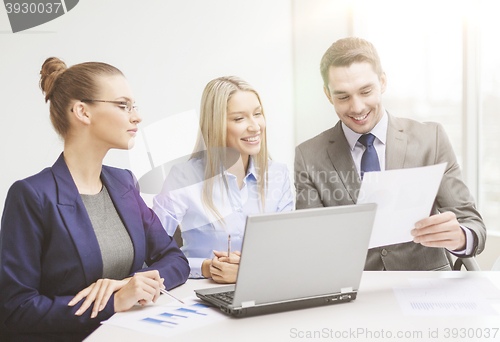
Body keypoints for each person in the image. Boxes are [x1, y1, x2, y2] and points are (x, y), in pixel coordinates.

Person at [0, 57, 190, 341]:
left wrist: (129, 284)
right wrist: (113, 302)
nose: (136, 116)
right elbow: (16, 309)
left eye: (133, 106)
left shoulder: (124, 182)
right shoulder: (32, 196)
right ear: (82, 112)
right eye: (123, 105)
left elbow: (174, 258)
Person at [294, 37, 486, 270]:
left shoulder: (430, 139)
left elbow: (472, 223)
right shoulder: (309, 156)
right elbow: (310, 243)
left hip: (425, 286)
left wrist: (461, 237)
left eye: (366, 91)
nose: (357, 107)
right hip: (355, 291)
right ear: (327, 94)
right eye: (343, 96)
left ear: (382, 81)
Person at [153, 76, 293, 283]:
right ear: (215, 125)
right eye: (239, 119)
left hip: (264, 285)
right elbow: (153, 253)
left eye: (257, 114)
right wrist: (207, 267)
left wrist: (250, 268)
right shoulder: (184, 177)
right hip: (202, 292)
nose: (255, 127)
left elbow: (287, 248)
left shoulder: (278, 175)